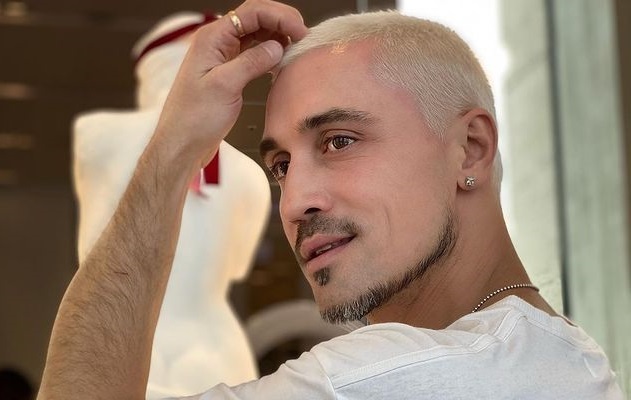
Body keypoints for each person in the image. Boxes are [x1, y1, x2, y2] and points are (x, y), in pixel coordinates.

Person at [38, 0, 624, 399]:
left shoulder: (390, 377)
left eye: (339, 141)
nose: (294, 201)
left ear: (470, 150)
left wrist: (172, 150)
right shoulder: (569, 358)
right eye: (281, 167)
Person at [72, 11, 269, 398]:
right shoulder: (251, 175)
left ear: (150, 70)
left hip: (115, 339)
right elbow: (237, 266)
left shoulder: (95, 136)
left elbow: (89, 253)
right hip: (218, 351)